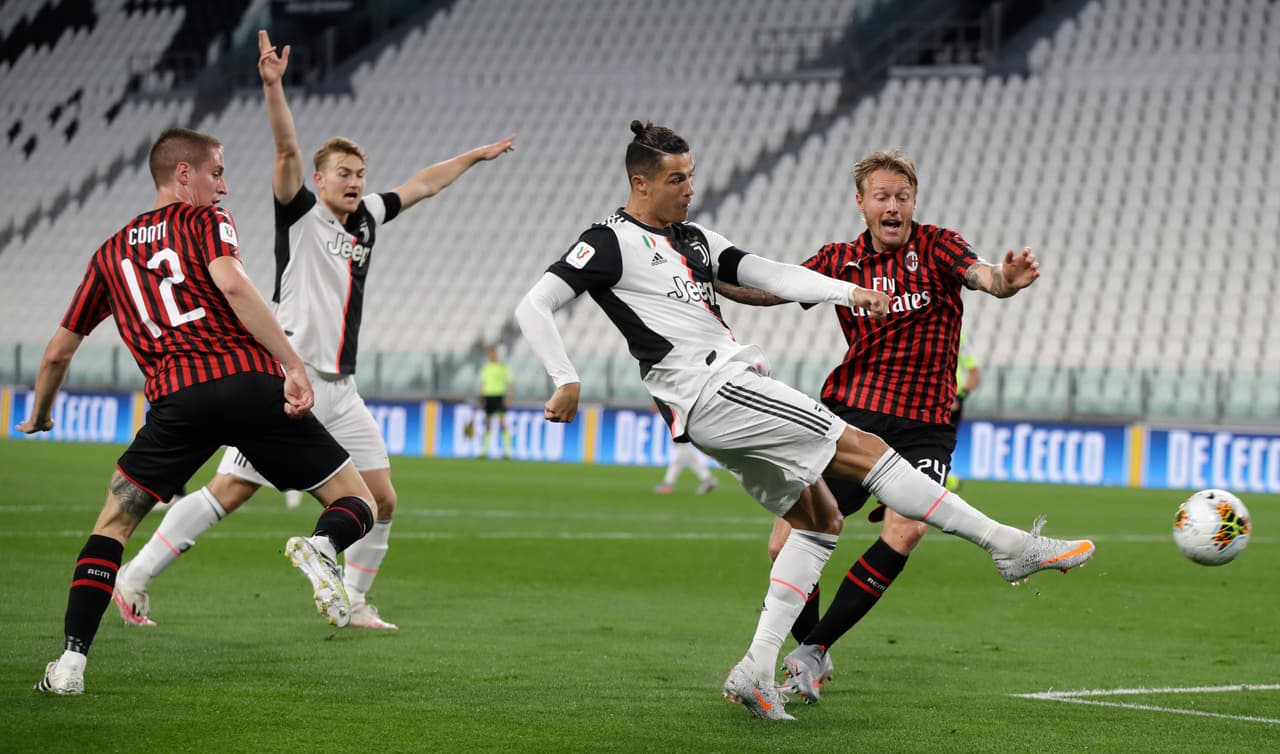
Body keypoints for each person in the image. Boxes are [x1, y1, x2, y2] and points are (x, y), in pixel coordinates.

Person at [513, 121, 1095, 721]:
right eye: (677, 179)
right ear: (641, 183)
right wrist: (565, 376)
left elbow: (769, 273)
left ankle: (757, 669)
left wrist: (848, 293)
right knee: (864, 449)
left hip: (730, 405)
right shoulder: (609, 241)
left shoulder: (694, 239)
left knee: (817, 524)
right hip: (716, 386)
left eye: (691, 176)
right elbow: (535, 305)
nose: (690, 188)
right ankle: (1009, 546)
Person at [112, 31, 515, 631]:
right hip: (288, 381)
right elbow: (286, 149)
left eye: (360, 174)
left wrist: (475, 156)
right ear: (319, 181)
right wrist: (274, 88)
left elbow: (425, 182)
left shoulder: (369, 218)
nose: (354, 182)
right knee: (230, 491)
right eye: (343, 173)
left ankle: (351, 601)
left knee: (382, 499)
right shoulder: (300, 214)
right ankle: (135, 574)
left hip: (342, 389)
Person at [24, 127, 378, 695]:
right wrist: (291, 363)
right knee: (359, 500)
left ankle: (70, 663)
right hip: (249, 385)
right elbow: (234, 286)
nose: (225, 186)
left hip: (178, 402)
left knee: (113, 526)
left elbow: (57, 352)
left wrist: (41, 414)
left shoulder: (109, 255)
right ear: (183, 174)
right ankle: (323, 545)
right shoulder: (206, 220)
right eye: (217, 173)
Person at [738, 150, 1037, 705]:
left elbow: (982, 275)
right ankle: (811, 651)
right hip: (851, 417)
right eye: (882, 196)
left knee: (908, 527)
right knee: (784, 543)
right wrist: (704, 280)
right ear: (862, 203)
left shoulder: (939, 245)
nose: (893, 206)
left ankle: (813, 649)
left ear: (914, 201)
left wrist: (1005, 281)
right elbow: (772, 289)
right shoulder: (840, 260)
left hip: (925, 425)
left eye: (902, 196)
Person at [946, 330, 981, 491]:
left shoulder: (957, 336)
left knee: (945, 442)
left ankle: (944, 477)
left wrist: (960, 398)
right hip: (929, 397)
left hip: (951, 400)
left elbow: (975, 373)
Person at [478, 345, 513, 458]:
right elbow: (483, 383)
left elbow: (510, 383)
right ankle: (484, 451)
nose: (492, 356)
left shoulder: (502, 367)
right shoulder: (486, 368)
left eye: (493, 354)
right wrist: (481, 396)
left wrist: (508, 398)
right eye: (490, 354)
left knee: (502, 423)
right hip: (488, 397)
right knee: (487, 424)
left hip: (499, 396)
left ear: (496, 355)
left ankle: (507, 451)